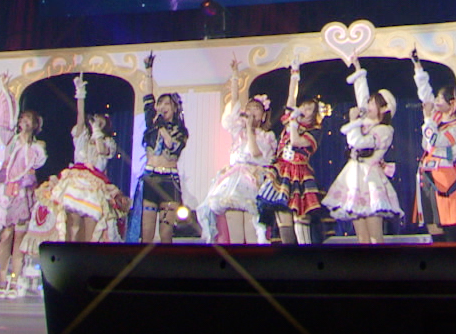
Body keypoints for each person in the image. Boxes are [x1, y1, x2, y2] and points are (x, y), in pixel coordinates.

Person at [0, 73, 46, 298]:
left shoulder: (38, 146)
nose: (23, 121)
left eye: (28, 119)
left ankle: (15, 281)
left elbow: (37, 162)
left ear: (34, 124)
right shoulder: (10, 139)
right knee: (5, 235)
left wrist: (27, 143)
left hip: (24, 191)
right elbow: (6, 115)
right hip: (7, 191)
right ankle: (1, 280)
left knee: (19, 237)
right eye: (22, 118)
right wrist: (6, 91)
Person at [323, 62, 403, 243]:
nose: (368, 105)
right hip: (354, 177)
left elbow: (358, 143)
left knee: (375, 237)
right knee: (362, 238)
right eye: (369, 102)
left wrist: (353, 123)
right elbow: (362, 97)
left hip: (370, 179)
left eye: (373, 103)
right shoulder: (367, 122)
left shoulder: (384, 130)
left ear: (385, 109)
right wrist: (358, 71)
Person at [199, 60, 276, 244]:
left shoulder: (267, 137)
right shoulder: (238, 131)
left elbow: (256, 155)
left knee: (252, 233)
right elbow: (233, 103)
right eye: (249, 109)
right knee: (235, 234)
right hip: (233, 179)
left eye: (256, 110)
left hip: (254, 178)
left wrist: (249, 129)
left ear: (263, 116)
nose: (252, 112)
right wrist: (235, 76)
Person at [45, 74, 126, 242]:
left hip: (95, 183)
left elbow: (101, 150)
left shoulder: (109, 142)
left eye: (102, 118)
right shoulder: (82, 137)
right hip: (76, 180)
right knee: (73, 223)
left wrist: (97, 131)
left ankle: (87, 254)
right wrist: (80, 95)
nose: (98, 119)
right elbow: (80, 119)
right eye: (96, 117)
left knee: (92, 223)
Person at [411, 50, 456, 244]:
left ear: (453, 103)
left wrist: (427, 119)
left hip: (445, 177)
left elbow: (435, 140)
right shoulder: (437, 118)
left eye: (441, 99)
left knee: (450, 226)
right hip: (428, 175)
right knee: (433, 225)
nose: (436, 101)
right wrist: (417, 67)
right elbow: (425, 94)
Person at [264, 62, 323, 245]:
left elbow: (296, 141)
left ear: (314, 114)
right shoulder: (291, 122)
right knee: (283, 219)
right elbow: (290, 100)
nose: (304, 110)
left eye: (309, 109)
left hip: (299, 174)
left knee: (301, 220)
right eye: (303, 106)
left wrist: (294, 123)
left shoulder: (314, 131)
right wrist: (294, 75)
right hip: (282, 171)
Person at [135, 53, 188, 243]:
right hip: (151, 177)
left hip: (169, 180)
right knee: (147, 233)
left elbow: (172, 147)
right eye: (161, 103)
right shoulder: (152, 123)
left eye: (167, 104)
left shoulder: (180, 131)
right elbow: (147, 97)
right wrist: (148, 70)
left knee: (166, 234)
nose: (162, 107)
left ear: (174, 109)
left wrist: (162, 128)